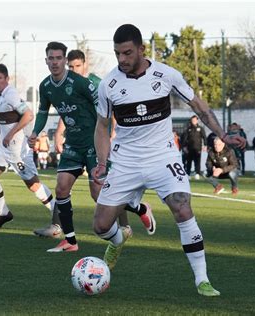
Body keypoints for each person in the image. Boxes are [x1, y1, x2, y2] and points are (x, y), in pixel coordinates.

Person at [92, 24, 246, 297]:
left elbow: (199, 106)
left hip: (162, 155)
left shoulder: (166, 75)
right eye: (117, 54)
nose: (122, 60)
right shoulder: (109, 84)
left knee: (182, 206)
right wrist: (103, 163)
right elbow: (102, 126)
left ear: (141, 49)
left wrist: (222, 134)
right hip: (126, 159)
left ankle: (202, 280)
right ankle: (118, 239)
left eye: (127, 53)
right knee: (101, 226)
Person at [29, 42, 155, 252]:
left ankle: (139, 208)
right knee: (61, 187)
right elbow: (43, 112)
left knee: (99, 194)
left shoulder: (81, 83)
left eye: (58, 58)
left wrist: (110, 132)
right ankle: (70, 241)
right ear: (46, 61)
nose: (55, 62)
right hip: (73, 144)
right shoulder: (45, 86)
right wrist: (35, 132)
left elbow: (105, 106)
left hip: (93, 144)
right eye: (51, 58)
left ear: (64, 61)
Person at [53, 48, 152, 231]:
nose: (74, 70)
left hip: (99, 141)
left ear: (85, 65)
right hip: (78, 142)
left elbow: (112, 107)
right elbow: (67, 109)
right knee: (77, 188)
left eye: (78, 66)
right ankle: (128, 222)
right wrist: (59, 132)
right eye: (71, 66)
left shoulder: (96, 83)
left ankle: (126, 224)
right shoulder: (68, 83)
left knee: (103, 189)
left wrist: (113, 131)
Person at [0, 64, 59, 236]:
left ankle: (57, 212)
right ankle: (4, 213)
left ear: (7, 79)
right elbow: (11, 116)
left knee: (33, 185)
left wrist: (10, 133)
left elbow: (28, 115)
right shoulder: (1, 95)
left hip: (17, 150)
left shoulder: (10, 93)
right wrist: (0, 126)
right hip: (4, 147)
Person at [182, 115, 206, 180]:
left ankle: (197, 173)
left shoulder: (200, 128)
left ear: (197, 120)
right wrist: (184, 147)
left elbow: (204, 137)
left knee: (197, 162)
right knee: (188, 162)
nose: (193, 121)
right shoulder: (188, 129)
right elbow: (185, 138)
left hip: (198, 148)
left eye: (195, 120)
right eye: (192, 120)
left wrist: (205, 145)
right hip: (189, 149)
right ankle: (188, 174)